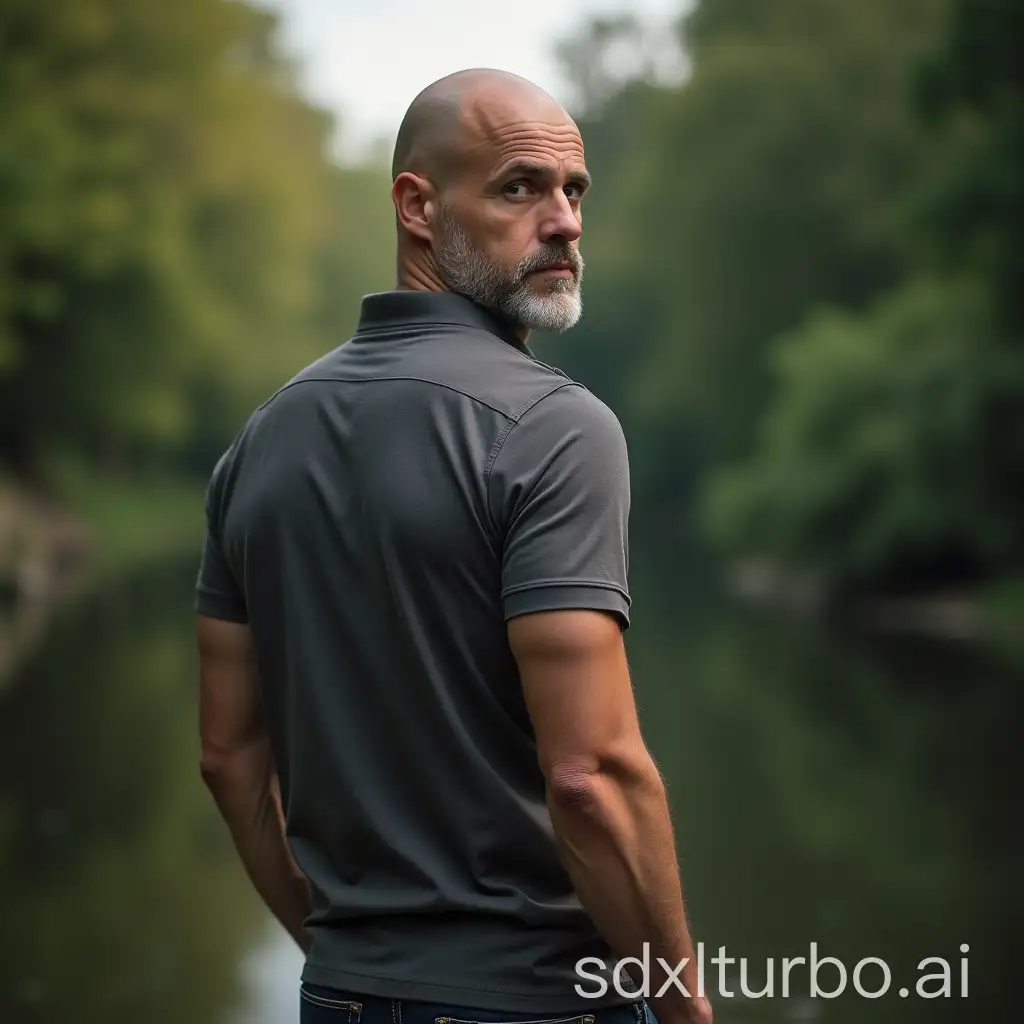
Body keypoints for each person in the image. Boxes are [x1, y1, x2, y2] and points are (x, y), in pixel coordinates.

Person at [195, 69, 712, 1024]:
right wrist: (684, 1010)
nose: (564, 221)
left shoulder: (259, 443)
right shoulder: (559, 429)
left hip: (343, 997)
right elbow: (591, 776)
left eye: (574, 191)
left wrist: (337, 947)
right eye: (521, 187)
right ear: (417, 205)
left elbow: (229, 757)